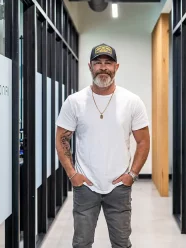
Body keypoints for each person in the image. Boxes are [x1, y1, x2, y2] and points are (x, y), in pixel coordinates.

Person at [55, 43, 150, 248]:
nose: (103, 67)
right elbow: (62, 139)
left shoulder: (132, 101)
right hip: (85, 186)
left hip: (119, 186)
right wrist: (73, 174)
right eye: (98, 63)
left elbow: (143, 141)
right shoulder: (75, 101)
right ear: (90, 66)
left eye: (108, 63)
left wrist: (131, 175)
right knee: (81, 243)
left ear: (117, 67)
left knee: (122, 243)